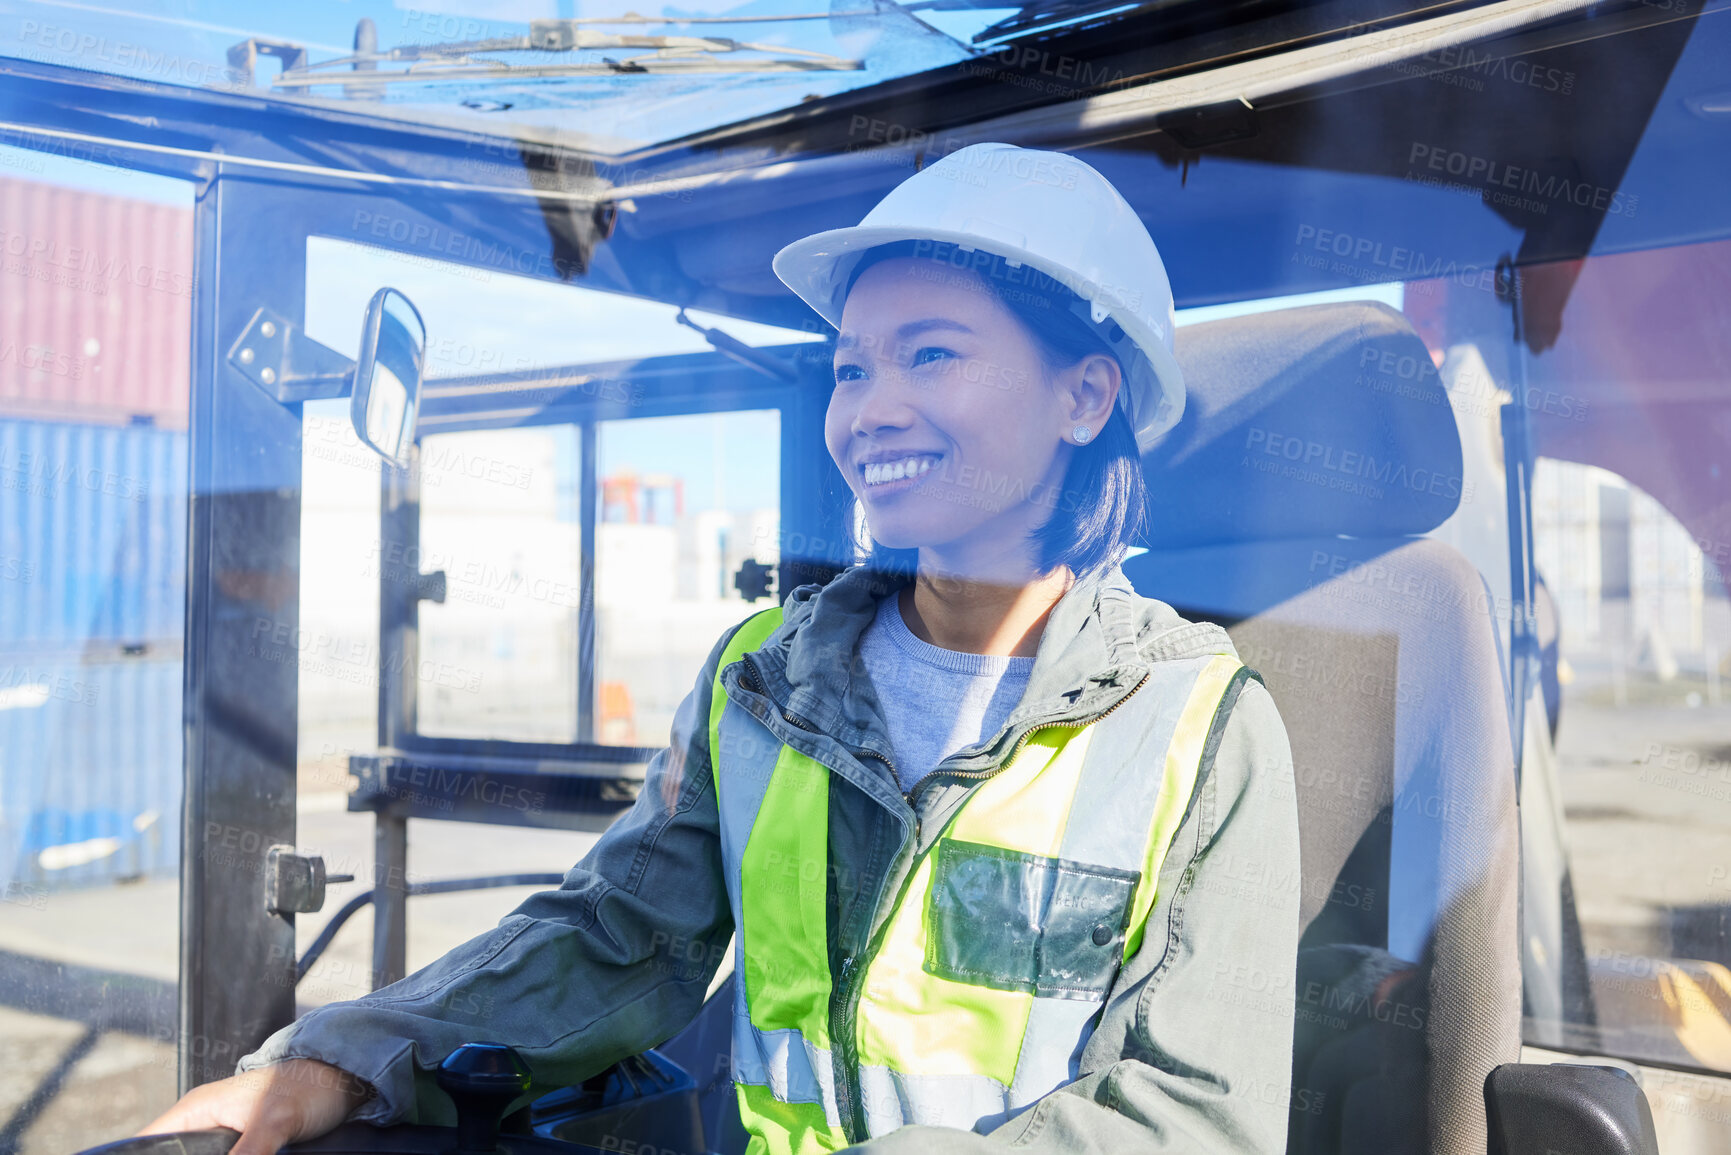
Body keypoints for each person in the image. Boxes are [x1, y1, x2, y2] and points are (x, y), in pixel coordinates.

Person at [143, 142, 1300, 1155]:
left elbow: (1190, 1119)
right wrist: (337, 1064)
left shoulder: (1196, 724)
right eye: (853, 368)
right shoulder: (765, 680)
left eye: (932, 355)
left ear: (1085, 396)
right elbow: (617, 938)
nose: (871, 410)